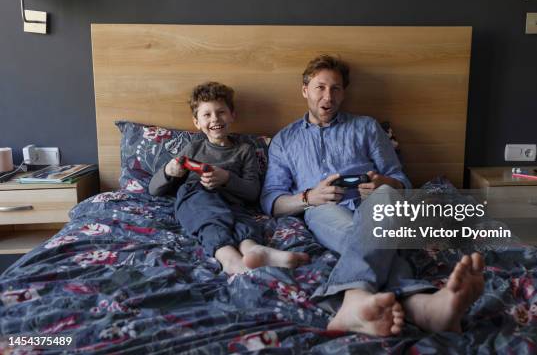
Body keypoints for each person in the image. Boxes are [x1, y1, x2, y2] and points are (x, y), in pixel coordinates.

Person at [261, 55, 484, 336]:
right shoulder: (284, 140)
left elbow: (400, 181)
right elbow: (271, 201)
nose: (328, 96)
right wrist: (308, 197)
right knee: (365, 236)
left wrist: (383, 183)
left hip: (376, 203)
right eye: (320, 87)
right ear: (304, 89)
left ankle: (354, 299)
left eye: (336, 88)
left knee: (386, 199)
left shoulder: (367, 126)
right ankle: (423, 307)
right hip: (324, 208)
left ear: (344, 92)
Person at [150, 82, 309, 275]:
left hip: (233, 202)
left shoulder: (244, 150)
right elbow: (154, 189)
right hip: (197, 196)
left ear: (232, 115)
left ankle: (253, 249)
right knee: (209, 219)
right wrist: (169, 171)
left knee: (243, 221)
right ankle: (229, 259)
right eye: (206, 114)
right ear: (197, 122)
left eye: (221, 112)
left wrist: (227, 178)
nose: (215, 119)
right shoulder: (194, 148)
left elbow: (252, 193)